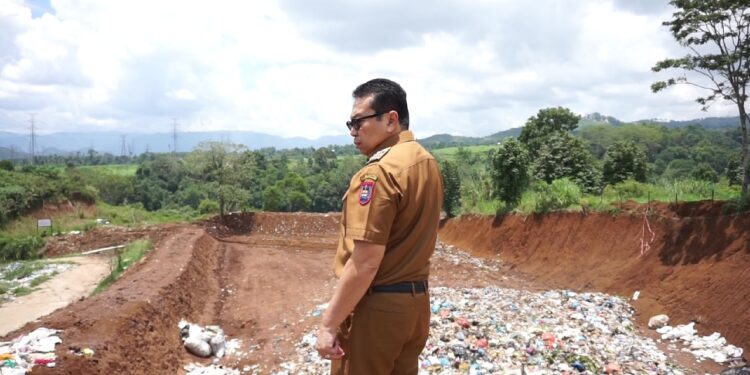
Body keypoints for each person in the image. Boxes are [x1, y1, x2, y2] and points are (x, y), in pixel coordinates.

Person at [315, 78, 444, 374]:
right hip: (416, 307)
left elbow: (365, 262)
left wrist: (329, 323)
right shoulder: (427, 162)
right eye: (350, 123)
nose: (352, 131)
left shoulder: (378, 173)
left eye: (358, 121)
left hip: (377, 310)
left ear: (391, 120)